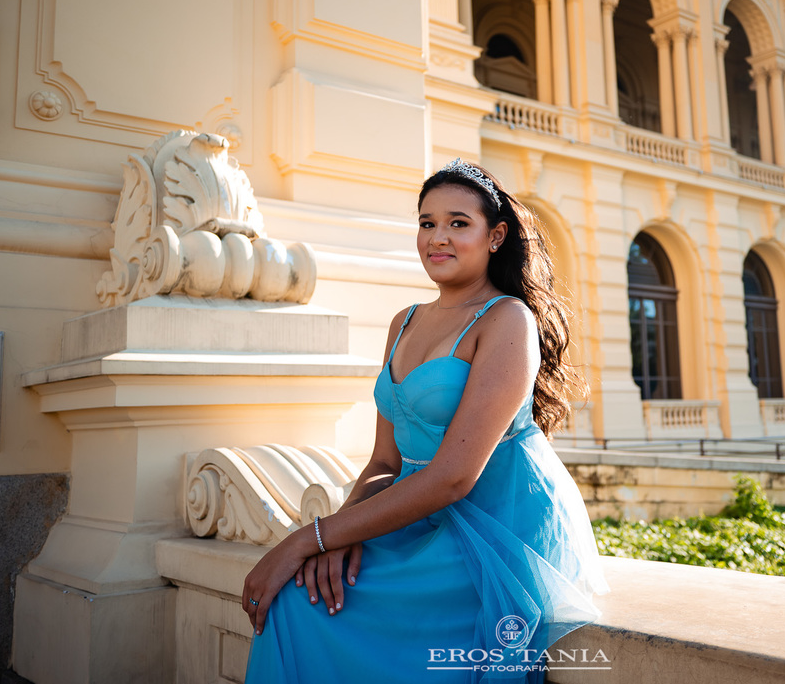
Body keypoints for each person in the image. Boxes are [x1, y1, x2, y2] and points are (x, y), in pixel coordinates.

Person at [242, 159, 609, 682]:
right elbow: (383, 463)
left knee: (308, 607)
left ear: (495, 236)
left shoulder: (508, 319)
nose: (438, 237)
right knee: (299, 599)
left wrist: (305, 539)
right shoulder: (404, 322)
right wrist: (336, 537)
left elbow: (454, 477)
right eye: (427, 222)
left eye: (459, 223)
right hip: (414, 511)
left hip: (492, 527)